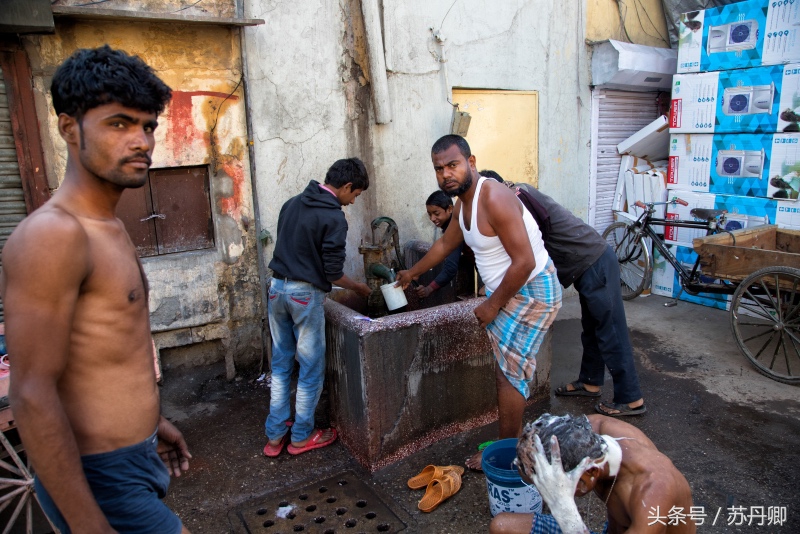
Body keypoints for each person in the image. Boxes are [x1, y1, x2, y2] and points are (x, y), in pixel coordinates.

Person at [0, 46, 191, 533]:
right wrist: (88, 526)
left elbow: (104, 354)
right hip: (99, 479)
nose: (142, 140)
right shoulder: (53, 235)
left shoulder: (106, 224)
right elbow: (31, 392)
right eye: (118, 123)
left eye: (148, 126)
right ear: (69, 128)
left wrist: (150, 426)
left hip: (131, 459)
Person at [395, 135, 562, 470]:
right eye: (439, 169)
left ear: (470, 162)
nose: (446, 174)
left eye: (452, 165)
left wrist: (491, 304)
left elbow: (525, 262)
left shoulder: (494, 197)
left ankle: (507, 457)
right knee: (507, 371)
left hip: (531, 291)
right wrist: (411, 273)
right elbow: (445, 246)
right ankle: (513, 444)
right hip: (507, 291)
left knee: (509, 375)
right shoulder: (463, 204)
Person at [480, 171, 645, 417]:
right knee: (593, 329)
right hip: (586, 265)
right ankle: (590, 382)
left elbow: (527, 251)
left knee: (610, 331)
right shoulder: (517, 195)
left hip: (594, 261)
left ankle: (631, 398)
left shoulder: (517, 199)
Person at [264, 158, 373, 457]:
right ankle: (300, 435)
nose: (352, 202)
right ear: (347, 186)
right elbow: (333, 273)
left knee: (282, 363)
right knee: (311, 368)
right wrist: (359, 287)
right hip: (303, 295)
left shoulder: (292, 203)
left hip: (276, 290)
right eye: (355, 195)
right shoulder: (334, 218)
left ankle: (275, 435)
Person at [490, 413, 695, 534]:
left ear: (589, 476)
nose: (546, 499)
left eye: (550, 491)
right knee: (502, 526)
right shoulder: (592, 430)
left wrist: (565, 511)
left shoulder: (654, 492)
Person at [416, 190, 474, 299]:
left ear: (450, 209)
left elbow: (450, 269)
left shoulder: (455, 230)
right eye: (429, 214)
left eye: (436, 213)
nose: (432, 219)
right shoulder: (456, 223)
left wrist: (429, 289)